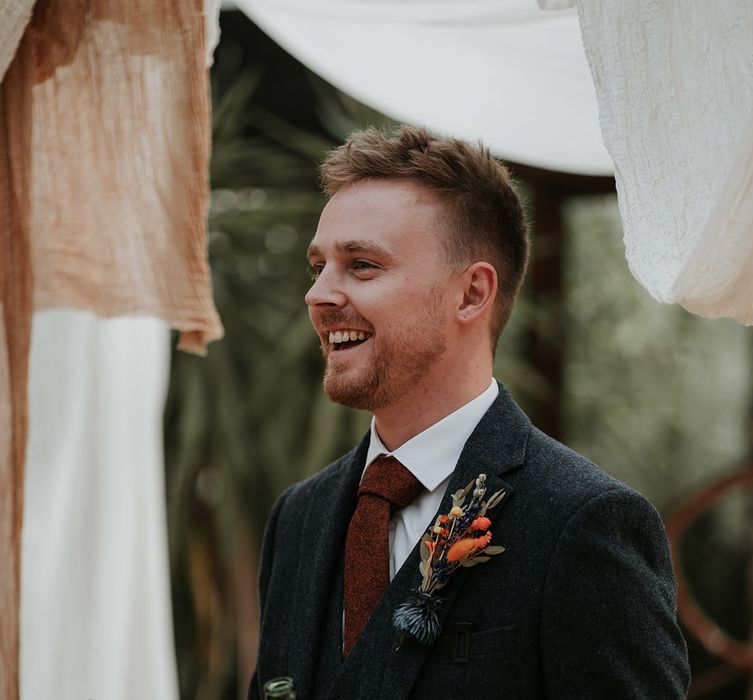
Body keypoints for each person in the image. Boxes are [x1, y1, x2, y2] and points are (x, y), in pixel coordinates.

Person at [249, 126, 690, 699]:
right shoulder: (298, 519)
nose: (318, 295)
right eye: (318, 267)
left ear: (472, 293)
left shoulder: (585, 524)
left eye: (361, 265)